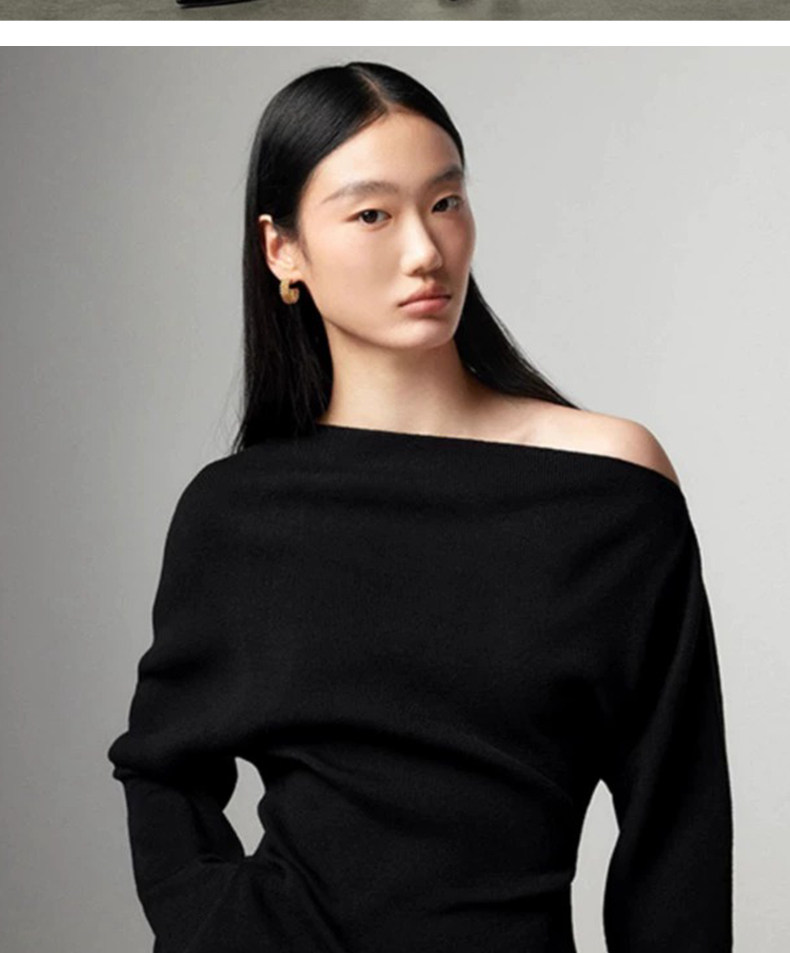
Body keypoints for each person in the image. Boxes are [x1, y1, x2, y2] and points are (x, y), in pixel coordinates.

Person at [106, 61, 733, 953]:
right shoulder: (235, 514)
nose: (425, 252)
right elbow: (162, 768)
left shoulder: (608, 488)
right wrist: (222, 927)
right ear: (283, 250)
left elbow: (678, 820)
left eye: (445, 202)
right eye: (372, 214)